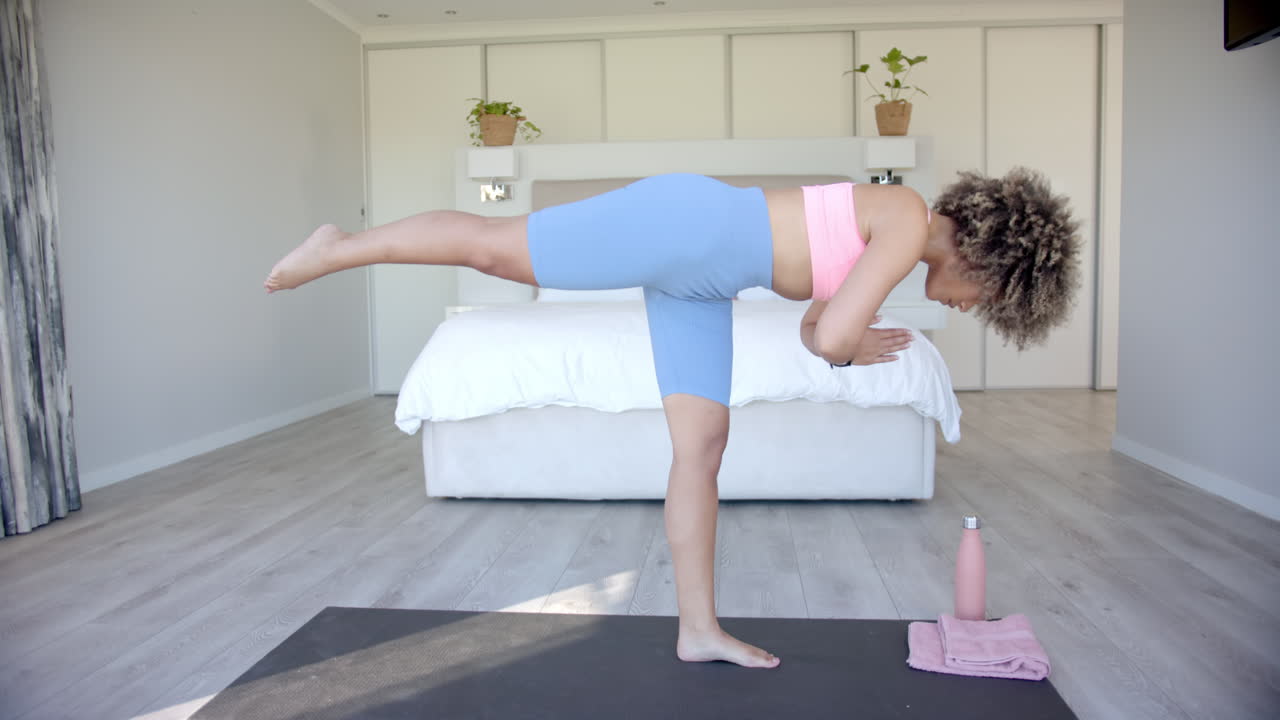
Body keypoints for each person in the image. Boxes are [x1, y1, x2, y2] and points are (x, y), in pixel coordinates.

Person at [264, 169, 1080, 669]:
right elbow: (831, 337)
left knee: (702, 447)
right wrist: (851, 346)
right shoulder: (904, 216)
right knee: (492, 247)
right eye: (992, 296)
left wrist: (841, 339)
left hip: (702, 283)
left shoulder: (890, 240)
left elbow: (810, 324)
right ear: (993, 258)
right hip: (683, 225)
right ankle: (339, 246)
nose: (977, 306)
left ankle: (699, 630)